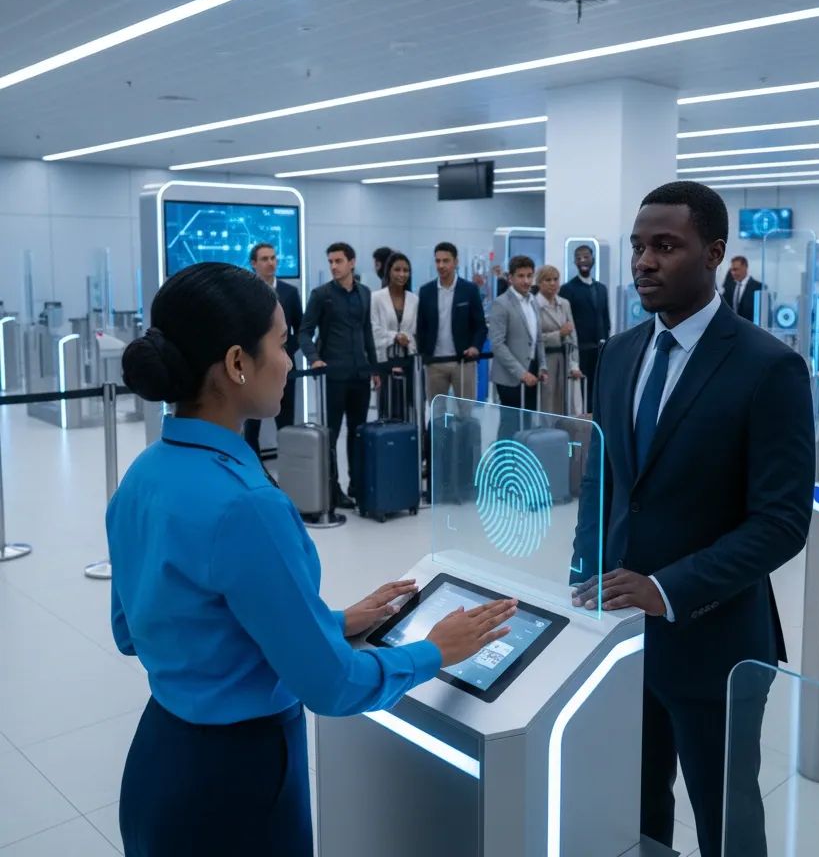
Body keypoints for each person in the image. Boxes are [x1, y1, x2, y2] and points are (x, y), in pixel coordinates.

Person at [111, 261, 516, 857]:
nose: (292, 358)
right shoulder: (248, 506)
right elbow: (331, 686)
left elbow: (134, 631)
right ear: (236, 363)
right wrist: (436, 651)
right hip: (239, 783)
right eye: (282, 342)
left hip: (160, 764)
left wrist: (328, 622)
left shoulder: (143, 476)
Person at [571, 181, 814, 857]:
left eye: (666, 247)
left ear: (713, 254)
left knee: (725, 818)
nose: (644, 262)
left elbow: (783, 521)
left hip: (716, 646)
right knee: (635, 808)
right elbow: (605, 476)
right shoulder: (617, 353)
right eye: (638, 247)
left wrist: (668, 588)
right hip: (620, 641)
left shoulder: (770, 368)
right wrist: (581, 574)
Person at [299, 242, 379, 514]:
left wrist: (374, 367)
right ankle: (333, 491)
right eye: (330, 261)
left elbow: (366, 331)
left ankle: (358, 486)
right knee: (330, 435)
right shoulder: (321, 295)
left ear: (352, 262)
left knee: (358, 433)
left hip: (360, 374)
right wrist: (314, 358)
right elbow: (304, 331)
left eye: (338, 261)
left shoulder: (365, 293)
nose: (333, 266)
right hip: (333, 375)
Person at [243, 243, 303, 458]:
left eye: (273, 258)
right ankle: (253, 468)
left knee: (286, 421)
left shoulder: (290, 292)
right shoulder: (244, 292)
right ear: (254, 264)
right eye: (265, 259)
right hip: (253, 366)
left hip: (284, 365)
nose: (271, 263)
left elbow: (300, 327)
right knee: (251, 423)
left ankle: (290, 466)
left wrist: (284, 351)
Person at [417, 241, 487, 406]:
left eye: (446, 260)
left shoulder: (469, 290)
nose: (441, 265)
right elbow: (421, 326)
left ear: (456, 262)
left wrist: (476, 347)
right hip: (435, 362)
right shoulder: (426, 291)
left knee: (466, 413)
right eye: (438, 261)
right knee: (437, 414)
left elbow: (480, 325)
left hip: (462, 361)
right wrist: (424, 355)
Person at [490, 255, 547, 436]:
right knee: (510, 425)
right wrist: (521, 373)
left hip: (532, 370)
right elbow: (497, 345)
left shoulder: (533, 301)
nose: (526, 280)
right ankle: (503, 462)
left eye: (529, 275)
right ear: (511, 278)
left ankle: (522, 463)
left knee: (527, 423)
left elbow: (538, 338)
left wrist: (543, 366)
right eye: (521, 276)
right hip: (510, 376)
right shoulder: (501, 303)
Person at [559, 244, 610, 413]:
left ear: (593, 259)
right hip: (578, 350)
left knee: (597, 391)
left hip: (599, 349)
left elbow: (605, 318)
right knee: (578, 395)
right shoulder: (567, 289)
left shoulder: (601, 288)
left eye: (586, 257)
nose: (583, 261)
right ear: (574, 262)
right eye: (579, 258)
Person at [370, 251, 418, 421]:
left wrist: (408, 340)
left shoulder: (414, 299)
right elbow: (373, 330)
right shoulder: (376, 298)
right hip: (385, 363)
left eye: (406, 270)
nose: (402, 274)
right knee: (387, 410)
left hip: (409, 363)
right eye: (397, 269)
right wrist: (395, 337)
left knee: (409, 408)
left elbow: (418, 332)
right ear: (389, 271)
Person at [535, 264, 581, 416]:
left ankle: (564, 436)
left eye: (555, 279)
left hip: (565, 358)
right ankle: (547, 435)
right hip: (545, 360)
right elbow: (535, 338)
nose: (553, 283)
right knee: (547, 402)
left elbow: (572, 335)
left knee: (566, 403)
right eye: (548, 280)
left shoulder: (564, 303)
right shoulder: (534, 305)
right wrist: (559, 334)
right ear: (539, 282)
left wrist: (575, 364)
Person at [721, 255, 762, 322]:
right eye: (731, 270)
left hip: (750, 327)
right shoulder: (729, 286)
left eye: (736, 269)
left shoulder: (758, 287)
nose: (733, 273)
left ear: (745, 267)